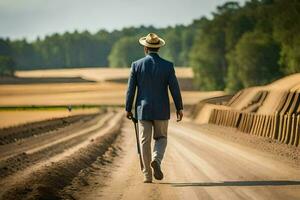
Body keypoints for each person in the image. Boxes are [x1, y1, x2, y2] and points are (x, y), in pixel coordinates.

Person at [125, 33, 183, 183]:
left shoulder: (136, 65)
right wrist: (179, 107)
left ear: (145, 48)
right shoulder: (168, 66)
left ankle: (147, 175)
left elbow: (131, 90)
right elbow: (174, 88)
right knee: (161, 138)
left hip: (142, 110)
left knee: (144, 141)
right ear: (158, 47)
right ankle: (156, 160)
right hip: (161, 110)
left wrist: (127, 108)